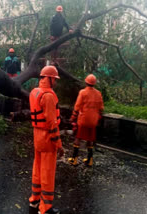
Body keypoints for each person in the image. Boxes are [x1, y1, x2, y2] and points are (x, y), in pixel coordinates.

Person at [28, 66, 64, 214]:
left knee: (37, 168)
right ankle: (45, 208)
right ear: (49, 78)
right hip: (47, 138)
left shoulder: (34, 92)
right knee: (47, 172)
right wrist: (59, 144)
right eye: (54, 79)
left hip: (37, 136)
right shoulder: (48, 96)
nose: (55, 82)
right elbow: (51, 123)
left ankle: (34, 200)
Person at [68, 74, 104, 167]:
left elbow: (77, 106)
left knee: (78, 138)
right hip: (93, 121)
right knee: (90, 139)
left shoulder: (83, 92)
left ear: (86, 82)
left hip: (83, 120)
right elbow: (101, 108)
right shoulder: (98, 93)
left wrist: (72, 117)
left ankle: (74, 159)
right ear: (94, 83)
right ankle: (90, 160)